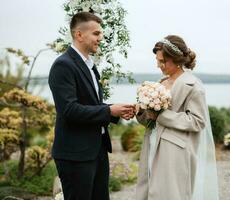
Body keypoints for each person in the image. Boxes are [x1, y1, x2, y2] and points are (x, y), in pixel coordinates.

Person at [48, 12, 135, 200]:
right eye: (96, 34)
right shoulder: (63, 65)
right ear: (79, 34)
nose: (100, 38)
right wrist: (108, 110)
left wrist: (115, 110)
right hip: (75, 154)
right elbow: (69, 110)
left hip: (96, 150)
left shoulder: (88, 64)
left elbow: (90, 104)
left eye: (100, 34)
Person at [136, 35, 219, 200]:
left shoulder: (193, 86)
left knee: (170, 194)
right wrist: (141, 112)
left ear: (176, 59)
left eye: (162, 61)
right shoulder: (160, 83)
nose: (158, 65)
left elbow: (198, 121)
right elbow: (150, 120)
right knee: (150, 189)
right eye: (157, 60)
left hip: (176, 151)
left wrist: (161, 115)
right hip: (153, 142)